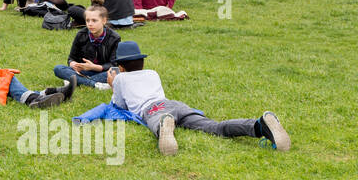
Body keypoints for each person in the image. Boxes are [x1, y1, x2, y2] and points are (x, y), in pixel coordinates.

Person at [106, 41, 290, 156]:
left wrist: (114, 83)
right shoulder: (153, 73)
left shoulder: (121, 78)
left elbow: (118, 105)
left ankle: (164, 125)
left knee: (157, 123)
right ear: (142, 61)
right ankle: (258, 125)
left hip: (154, 109)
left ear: (120, 67)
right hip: (174, 104)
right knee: (214, 127)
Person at [53, 0, 121, 90]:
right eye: (87, 20)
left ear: (104, 21)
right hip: (84, 71)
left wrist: (94, 67)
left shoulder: (114, 37)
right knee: (58, 68)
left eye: (94, 21)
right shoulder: (81, 34)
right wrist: (73, 63)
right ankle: (95, 85)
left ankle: (76, 81)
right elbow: (71, 58)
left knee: (116, 72)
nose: (90, 24)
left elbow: (114, 64)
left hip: (103, 71)